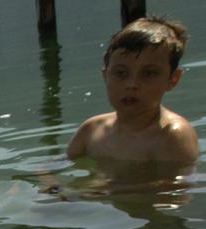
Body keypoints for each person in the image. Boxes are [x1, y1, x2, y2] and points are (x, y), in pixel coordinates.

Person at [67, 16, 198, 164]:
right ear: (105, 75)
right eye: (121, 73)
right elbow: (54, 167)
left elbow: (174, 186)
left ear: (172, 79)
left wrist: (102, 187)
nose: (132, 84)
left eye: (148, 73)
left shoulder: (170, 136)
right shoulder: (91, 130)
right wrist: (51, 185)